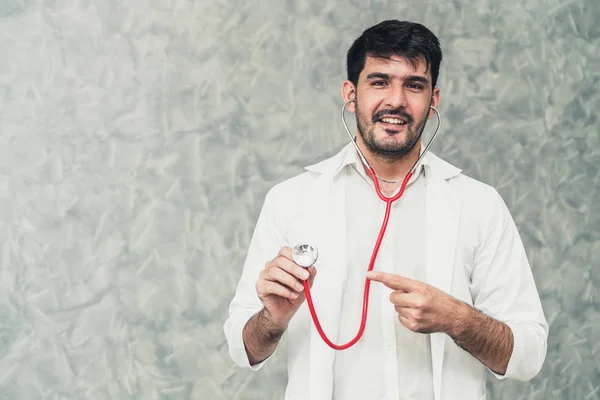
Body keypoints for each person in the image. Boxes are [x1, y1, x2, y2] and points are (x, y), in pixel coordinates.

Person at [223, 20, 548, 400]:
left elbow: (528, 356)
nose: (396, 100)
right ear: (350, 93)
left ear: (434, 99)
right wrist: (272, 320)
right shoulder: (290, 200)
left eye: (414, 85)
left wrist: (457, 318)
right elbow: (242, 348)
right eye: (379, 81)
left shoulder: (479, 204)